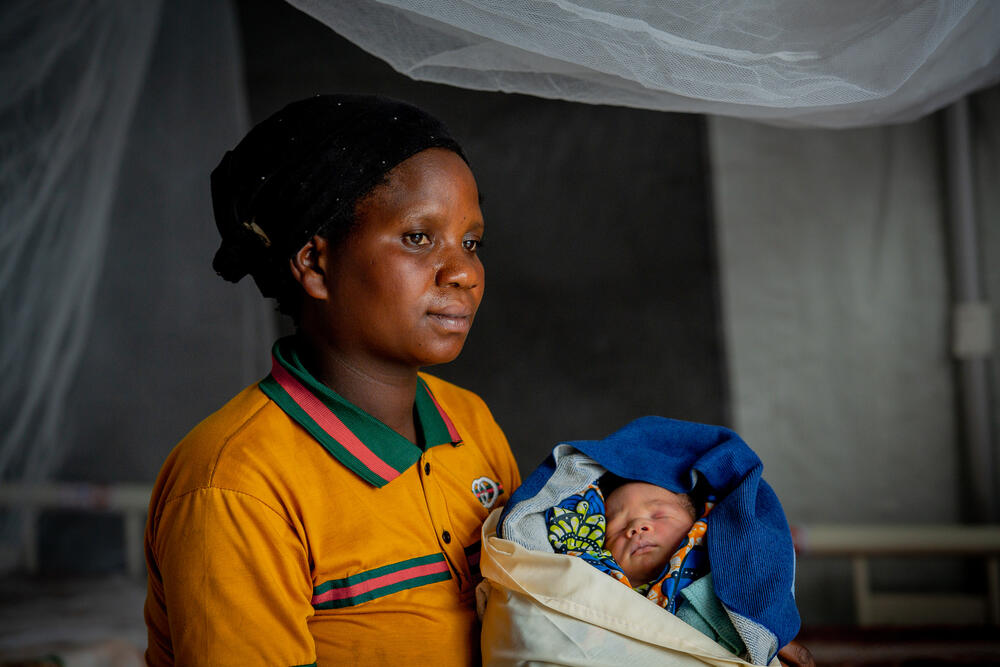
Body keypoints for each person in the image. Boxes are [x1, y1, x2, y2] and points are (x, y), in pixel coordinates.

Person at [143, 94, 521, 666]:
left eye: (471, 242)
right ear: (315, 264)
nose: (465, 272)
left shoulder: (469, 422)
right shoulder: (236, 487)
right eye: (419, 237)